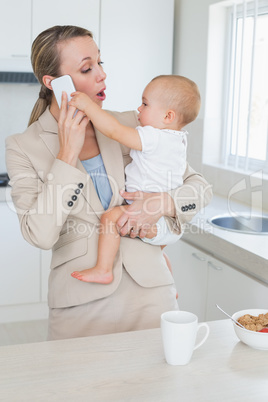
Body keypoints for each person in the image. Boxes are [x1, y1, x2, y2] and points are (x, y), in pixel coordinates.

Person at [5, 25, 212, 340]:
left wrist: (162, 203)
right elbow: (40, 235)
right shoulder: (22, 146)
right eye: (88, 68)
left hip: (151, 295)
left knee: (157, 388)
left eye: (101, 63)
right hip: (79, 303)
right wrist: (67, 155)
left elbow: (200, 189)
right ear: (53, 82)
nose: (102, 74)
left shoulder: (132, 124)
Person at [69, 75, 201, 285]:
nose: (139, 109)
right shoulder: (178, 139)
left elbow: (114, 130)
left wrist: (87, 105)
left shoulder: (154, 137)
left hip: (154, 219)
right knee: (156, 254)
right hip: (171, 224)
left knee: (110, 218)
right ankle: (169, 282)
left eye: (145, 104)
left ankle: (103, 269)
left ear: (168, 116)